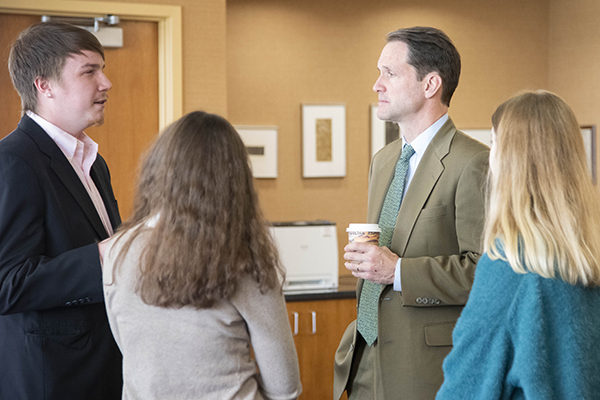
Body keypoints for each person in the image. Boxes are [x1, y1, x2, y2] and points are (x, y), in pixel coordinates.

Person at [100, 111, 302, 400]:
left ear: (158, 171)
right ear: (234, 182)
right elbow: (285, 386)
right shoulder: (241, 258)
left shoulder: (119, 250)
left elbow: (128, 344)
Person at [334, 26, 490, 399]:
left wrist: (397, 270)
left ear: (430, 84)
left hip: (424, 369)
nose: (377, 85)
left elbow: (484, 271)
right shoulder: (384, 160)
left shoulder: (474, 163)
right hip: (362, 359)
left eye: (389, 73)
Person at [436, 90, 600, 399]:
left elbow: (466, 385)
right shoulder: (587, 258)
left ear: (511, 160)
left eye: (494, 143)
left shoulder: (510, 266)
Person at [0, 22, 122, 399]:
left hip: (105, 370)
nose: (106, 83)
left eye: (102, 69)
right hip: (53, 382)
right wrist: (103, 256)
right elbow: (7, 284)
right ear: (44, 85)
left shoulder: (94, 162)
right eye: (89, 71)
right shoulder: (13, 161)